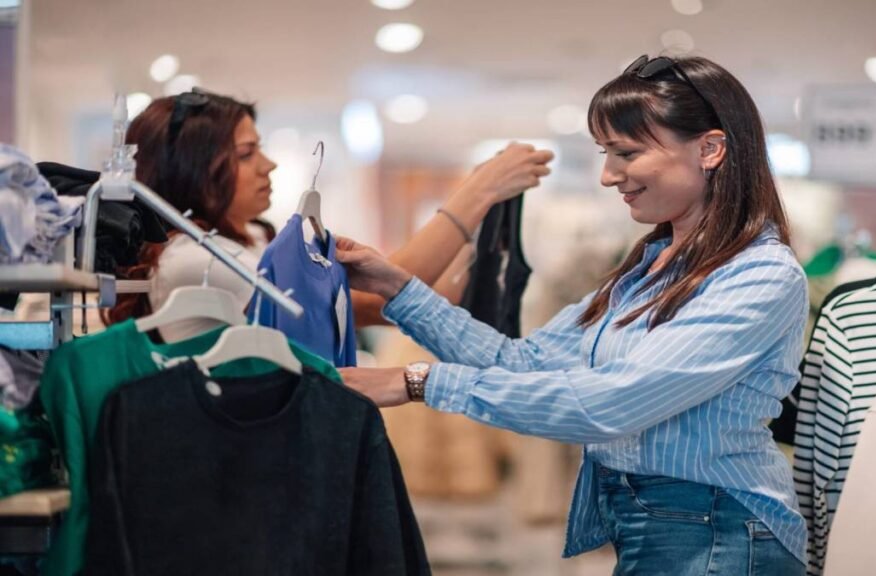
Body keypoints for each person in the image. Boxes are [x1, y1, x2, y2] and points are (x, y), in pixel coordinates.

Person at [336, 54, 809, 575]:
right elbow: (521, 361)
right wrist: (395, 286)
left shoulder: (759, 275)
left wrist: (418, 381)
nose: (609, 176)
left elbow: (612, 403)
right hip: (663, 526)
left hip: (717, 531)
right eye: (606, 153)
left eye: (626, 153)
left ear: (711, 148)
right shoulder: (645, 274)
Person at [105, 89, 553, 333]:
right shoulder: (196, 258)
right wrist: (475, 192)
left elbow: (404, 298)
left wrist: (484, 210)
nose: (269, 164)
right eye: (246, 153)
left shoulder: (255, 241)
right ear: (194, 171)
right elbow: (374, 299)